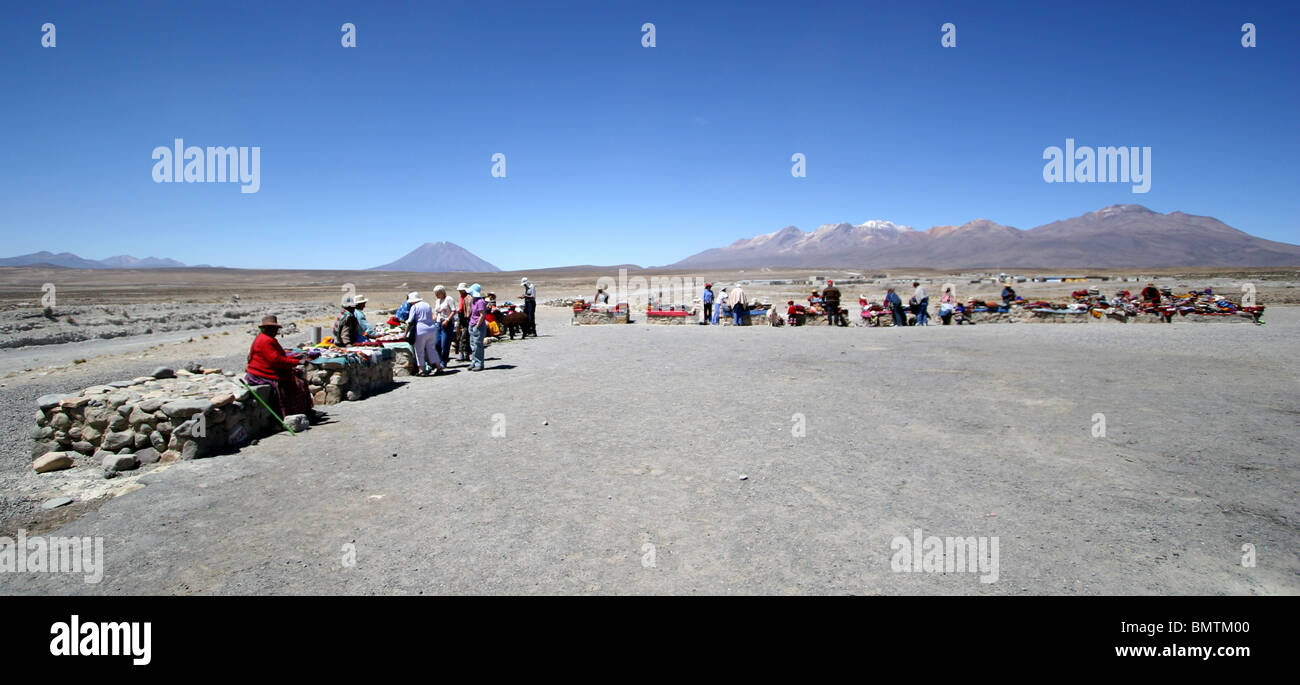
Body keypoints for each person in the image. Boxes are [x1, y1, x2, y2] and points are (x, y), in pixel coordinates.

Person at [245, 315, 317, 424]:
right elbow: (276, 360)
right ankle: (291, 414)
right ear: (267, 329)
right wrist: (297, 362)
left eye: (276, 329)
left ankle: (303, 412)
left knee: (298, 376)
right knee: (295, 383)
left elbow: (277, 357)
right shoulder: (266, 341)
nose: (276, 331)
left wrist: (294, 358)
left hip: (267, 369)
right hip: (261, 373)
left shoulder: (267, 339)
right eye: (273, 329)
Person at [405, 292, 443, 376]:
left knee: (419, 350)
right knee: (432, 349)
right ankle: (439, 367)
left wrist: (405, 333)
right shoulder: (427, 305)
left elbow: (410, 321)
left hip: (421, 329)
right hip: (432, 329)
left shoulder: (414, 307)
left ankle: (421, 370)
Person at [432, 285, 456, 368]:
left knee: (444, 343)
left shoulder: (449, 299)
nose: (436, 295)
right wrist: (434, 316)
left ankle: (443, 361)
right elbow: (436, 311)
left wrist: (447, 320)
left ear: (442, 293)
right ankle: (437, 361)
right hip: (439, 323)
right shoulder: (438, 301)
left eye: (437, 293)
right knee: (436, 343)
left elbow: (454, 311)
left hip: (447, 323)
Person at [468, 283, 488, 371]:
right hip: (472, 324)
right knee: (472, 344)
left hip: (478, 326)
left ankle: (479, 363)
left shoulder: (480, 302)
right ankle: (474, 361)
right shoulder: (474, 301)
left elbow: (482, 315)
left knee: (477, 345)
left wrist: (477, 325)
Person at [455, 283, 471, 362]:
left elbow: (468, 310)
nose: (460, 291)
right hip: (462, 318)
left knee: (464, 337)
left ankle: (462, 353)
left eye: (461, 290)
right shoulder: (462, 297)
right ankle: (465, 354)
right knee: (462, 336)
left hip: (466, 319)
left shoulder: (468, 297)